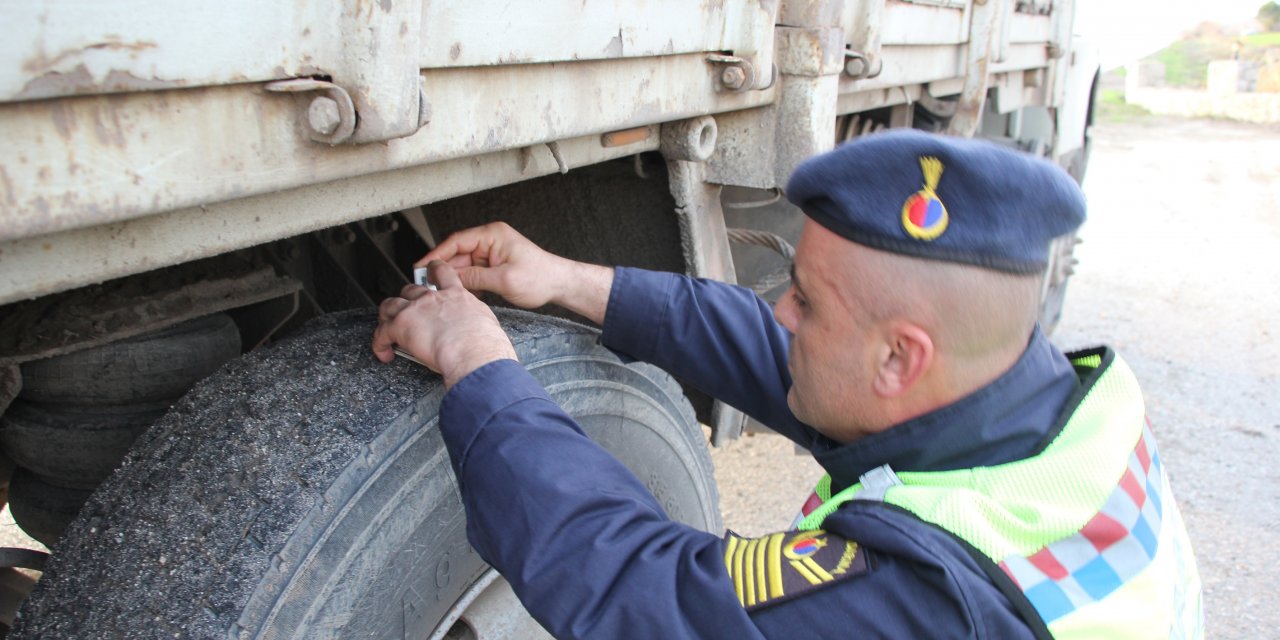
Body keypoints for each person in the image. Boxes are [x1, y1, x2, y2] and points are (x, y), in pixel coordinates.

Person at [371, 129, 1203, 639]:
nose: (781, 314)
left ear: (900, 359)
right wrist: (568, 279)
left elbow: (641, 590)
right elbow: (795, 370)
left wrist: (481, 366)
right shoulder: (1057, 417)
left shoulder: (935, 596)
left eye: (805, 300)